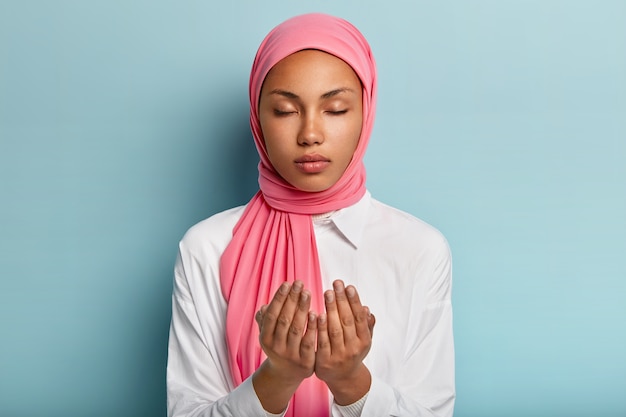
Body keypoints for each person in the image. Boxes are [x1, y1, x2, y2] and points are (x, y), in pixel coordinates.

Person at [167, 12, 455, 417]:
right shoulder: (207, 247)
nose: (310, 134)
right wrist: (277, 378)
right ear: (258, 118)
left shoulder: (419, 250)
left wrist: (351, 382)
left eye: (335, 109)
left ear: (365, 115)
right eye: (285, 111)